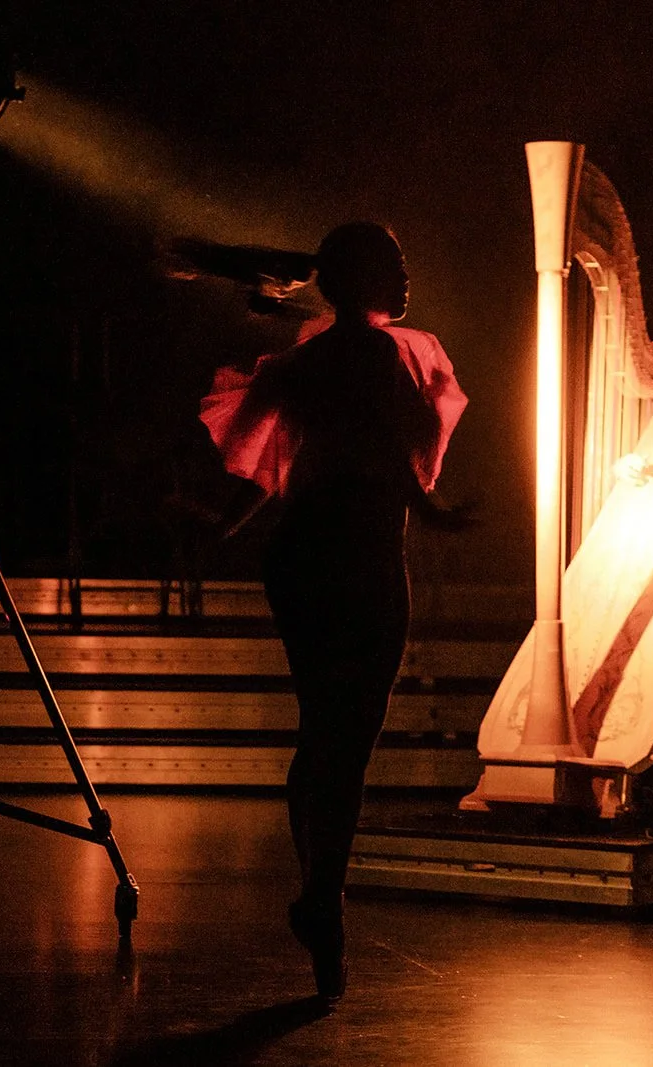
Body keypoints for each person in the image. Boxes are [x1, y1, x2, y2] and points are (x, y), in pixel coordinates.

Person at [198, 222, 467, 1001]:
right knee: (348, 741)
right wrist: (435, 511)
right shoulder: (380, 354)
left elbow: (273, 465)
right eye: (395, 263)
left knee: (322, 731)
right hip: (359, 557)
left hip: (303, 556)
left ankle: (320, 891)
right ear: (366, 277)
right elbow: (383, 447)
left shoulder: (311, 358)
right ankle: (324, 900)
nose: (407, 275)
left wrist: (221, 527)